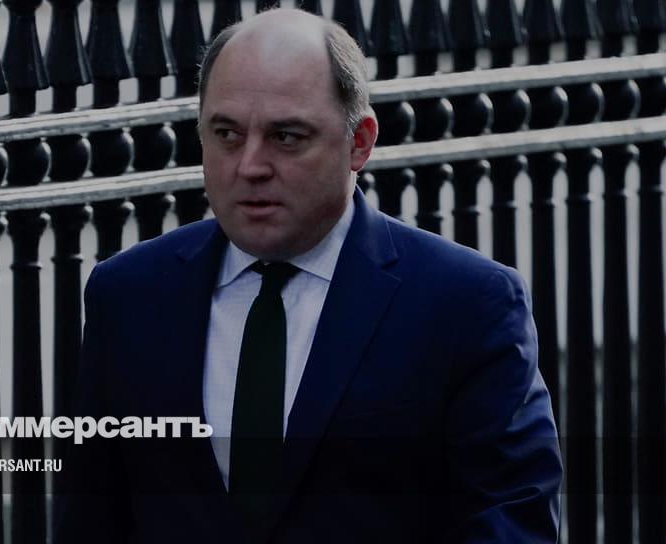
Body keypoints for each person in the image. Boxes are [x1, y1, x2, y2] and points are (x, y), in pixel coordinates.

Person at [54, 8, 562, 543]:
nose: (250, 165)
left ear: (359, 142)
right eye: (226, 133)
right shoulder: (128, 295)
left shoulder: (466, 302)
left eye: (286, 136)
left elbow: (512, 522)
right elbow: (91, 518)